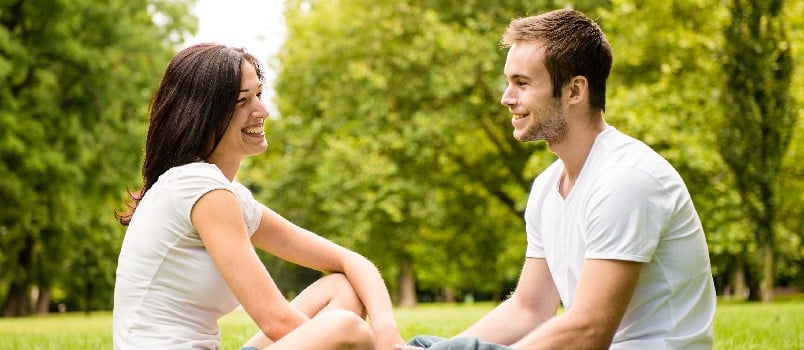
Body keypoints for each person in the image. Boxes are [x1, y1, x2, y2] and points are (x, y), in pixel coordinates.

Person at [397, 8, 716, 350]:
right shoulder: (548, 187)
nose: (507, 98)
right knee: (425, 345)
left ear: (575, 90)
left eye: (521, 83)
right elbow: (529, 309)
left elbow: (589, 331)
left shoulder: (625, 180)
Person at [113, 43, 405, 350]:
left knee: (340, 289)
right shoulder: (198, 187)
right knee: (346, 328)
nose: (263, 111)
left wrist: (386, 332)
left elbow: (350, 261)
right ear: (203, 113)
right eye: (242, 101)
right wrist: (348, 340)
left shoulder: (222, 193)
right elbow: (275, 320)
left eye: (259, 95)